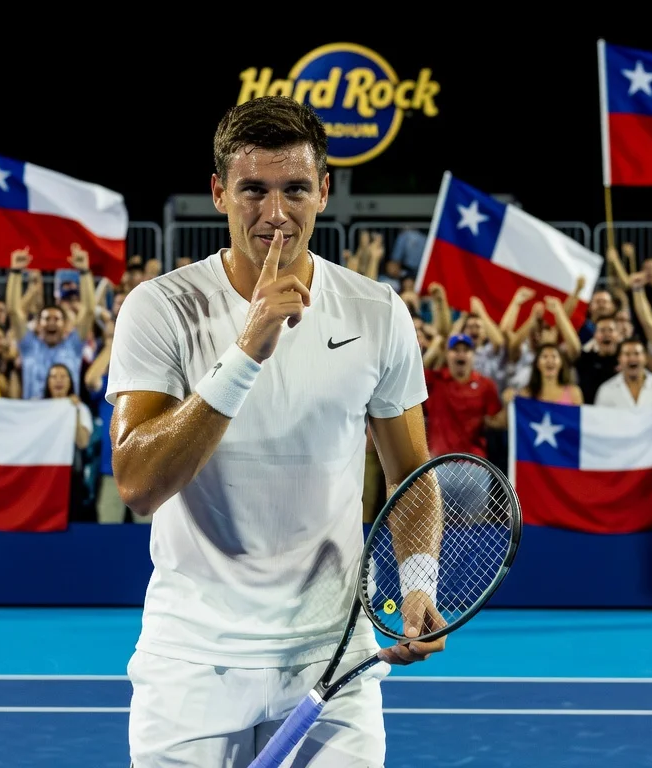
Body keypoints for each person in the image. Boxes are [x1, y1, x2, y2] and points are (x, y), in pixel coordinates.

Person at [109, 96, 440, 767]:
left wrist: (419, 584)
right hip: (193, 663)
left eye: (294, 189)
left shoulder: (377, 312)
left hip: (333, 659)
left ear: (323, 190)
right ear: (218, 193)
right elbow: (138, 484)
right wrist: (248, 348)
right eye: (253, 190)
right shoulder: (160, 308)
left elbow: (411, 474)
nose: (275, 213)